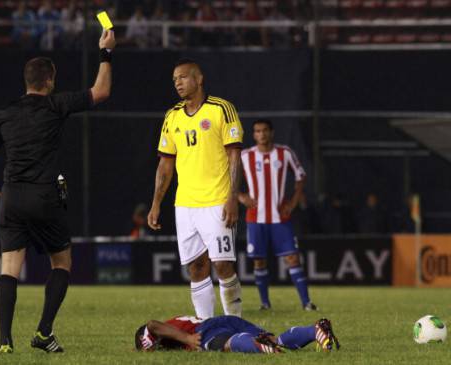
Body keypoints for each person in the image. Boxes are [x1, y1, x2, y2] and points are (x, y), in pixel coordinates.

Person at [0, 30, 116, 354]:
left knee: (9, 268)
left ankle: (4, 341)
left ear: (26, 81)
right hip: (44, 197)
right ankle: (43, 332)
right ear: (49, 79)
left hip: (10, 198)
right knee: (62, 263)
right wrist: (106, 53)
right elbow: (102, 91)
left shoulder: (5, 113)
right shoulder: (56, 105)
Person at [147, 59, 244, 319]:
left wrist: (233, 197)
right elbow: (165, 165)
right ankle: (205, 326)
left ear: (198, 79)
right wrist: (156, 203)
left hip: (217, 201)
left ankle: (235, 324)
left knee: (223, 265)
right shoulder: (172, 116)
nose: (177, 83)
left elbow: (235, 155)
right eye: (174, 79)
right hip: (186, 205)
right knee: (196, 267)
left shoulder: (222, 109)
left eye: (182, 77)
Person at [239, 119, 317, 311]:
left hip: (280, 217)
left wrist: (293, 202)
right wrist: (241, 197)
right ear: (253, 134)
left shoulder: (285, 153)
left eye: (265, 130)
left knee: (292, 258)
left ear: (271, 132)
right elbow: (225, 178)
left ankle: (306, 302)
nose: (262, 134)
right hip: (255, 218)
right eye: (257, 131)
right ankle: (265, 303)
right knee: (259, 260)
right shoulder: (245, 156)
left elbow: (301, 176)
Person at [135, 314, 340, 353]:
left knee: (225, 344)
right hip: (225, 320)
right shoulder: (173, 326)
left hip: (205, 330)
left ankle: (256, 344)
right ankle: (315, 331)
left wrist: (188, 338)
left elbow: (152, 324)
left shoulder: (158, 330)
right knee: (275, 341)